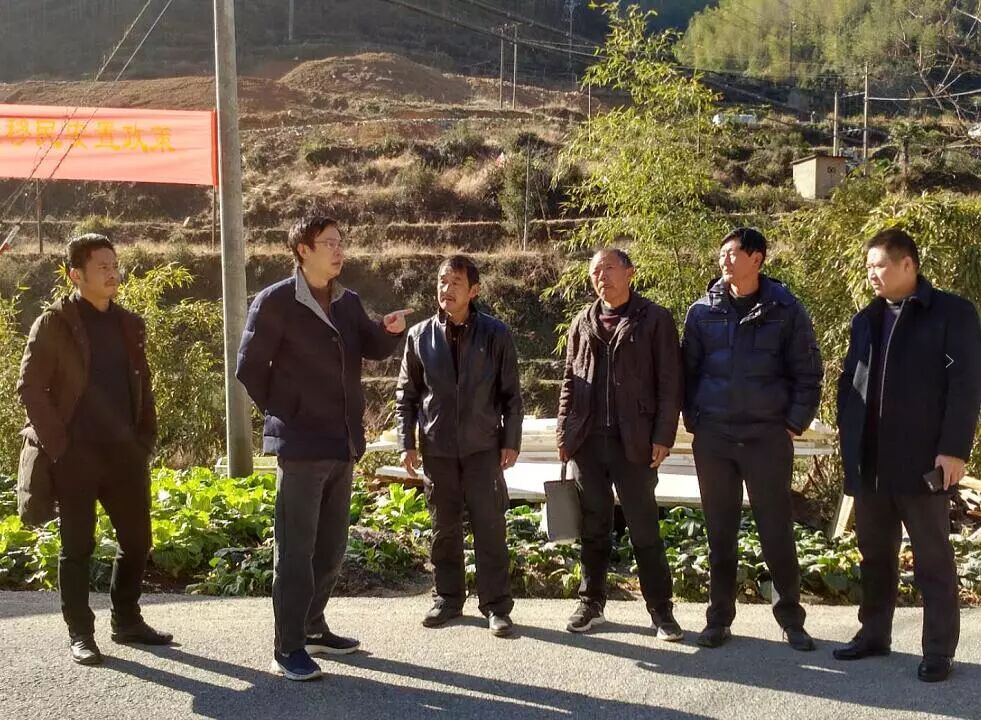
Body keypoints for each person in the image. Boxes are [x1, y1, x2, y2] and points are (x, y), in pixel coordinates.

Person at [236, 213, 411, 681]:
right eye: (329, 243)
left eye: (340, 242)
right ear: (303, 250)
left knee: (331, 548)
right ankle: (287, 646)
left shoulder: (346, 301)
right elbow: (249, 368)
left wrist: (388, 331)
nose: (339, 250)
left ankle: (313, 627)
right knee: (296, 551)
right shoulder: (276, 301)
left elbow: (369, 345)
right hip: (300, 445)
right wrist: (288, 411)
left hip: (342, 441)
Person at [17, 234, 172, 666]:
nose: (112, 273)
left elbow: (142, 383)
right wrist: (60, 447)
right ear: (76, 274)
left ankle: (127, 620)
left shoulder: (129, 323)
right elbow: (30, 388)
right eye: (102, 266)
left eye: (114, 264)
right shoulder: (54, 323)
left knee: (138, 541)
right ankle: (80, 633)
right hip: (76, 456)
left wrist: (144, 438)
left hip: (125, 454)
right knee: (77, 547)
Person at [834, 228, 980, 683]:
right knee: (874, 555)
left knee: (932, 559)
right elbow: (850, 384)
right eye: (868, 267)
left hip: (922, 461)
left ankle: (938, 649)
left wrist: (953, 450)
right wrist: (848, 439)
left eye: (879, 265)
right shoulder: (866, 319)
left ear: (908, 265)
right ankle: (874, 634)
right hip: (871, 461)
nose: (872, 274)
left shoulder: (952, 313)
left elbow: (965, 387)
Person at [682, 227, 822, 651]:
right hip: (715, 440)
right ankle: (718, 619)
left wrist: (793, 423)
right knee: (719, 534)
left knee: (776, 531)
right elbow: (686, 373)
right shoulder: (702, 311)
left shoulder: (785, 309)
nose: (724, 260)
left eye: (733, 254)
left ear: (757, 259)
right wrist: (696, 419)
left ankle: (791, 620)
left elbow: (808, 372)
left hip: (766, 438)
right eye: (721, 254)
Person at [557, 248, 684, 640]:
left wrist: (663, 435)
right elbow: (569, 380)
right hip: (588, 443)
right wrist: (564, 433)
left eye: (609, 268)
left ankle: (661, 611)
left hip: (636, 442)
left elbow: (670, 382)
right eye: (596, 271)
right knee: (593, 528)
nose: (602, 276)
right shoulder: (583, 321)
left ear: (630, 272)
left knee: (644, 529)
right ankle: (590, 603)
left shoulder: (654, 319)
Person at [395, 255, 522, 637]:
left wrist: (511, 441)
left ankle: (496, 606)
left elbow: (511, 395)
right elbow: (407, 396)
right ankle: (448, 599)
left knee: (490, 528)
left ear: (474, 290)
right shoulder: (420, 336)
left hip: (483, 447)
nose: (446, 290)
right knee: (443, 529)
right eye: (442, 282)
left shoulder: (495, 334)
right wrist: (406, 442)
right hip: (438, 449)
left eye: (455, 283)